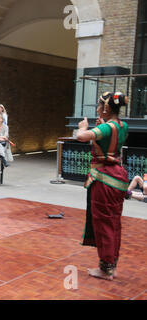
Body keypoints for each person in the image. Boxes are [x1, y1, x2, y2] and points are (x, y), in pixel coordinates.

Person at [76, 91, 130, 281]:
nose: (98, 109)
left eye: (100, 106)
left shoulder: (107, 127)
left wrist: (82, 128)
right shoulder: (123, 125)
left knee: (104, 224)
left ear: (106, 108)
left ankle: (105, 269)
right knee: (114, 223)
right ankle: (111, 265)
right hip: (118, 178)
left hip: (105, 179)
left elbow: (82, 137)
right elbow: (108, 140)